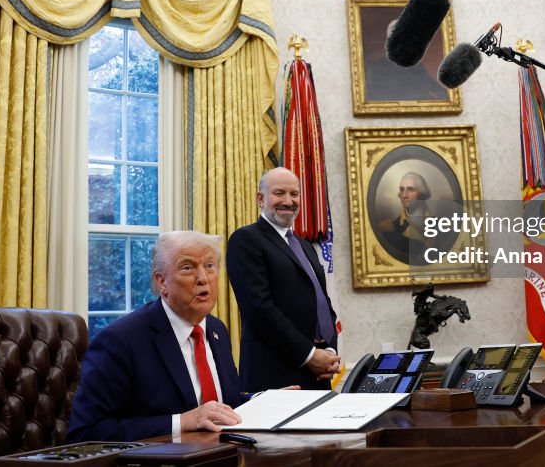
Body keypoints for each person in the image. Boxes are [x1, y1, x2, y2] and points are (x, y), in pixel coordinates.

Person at [67, 231, 242, 441]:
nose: (203, 279)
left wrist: (268, 400)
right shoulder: (120, 341)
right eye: (188, 268)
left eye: (210, 266)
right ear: (162, 283)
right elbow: (86, 433)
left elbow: (223, 403)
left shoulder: (216, 330)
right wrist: (183, 422)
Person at [226, 167, 340, 393]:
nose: (288, 201)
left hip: (318, 374)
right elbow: (259, 309)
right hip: (276, 376)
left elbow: (321, 304)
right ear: (261, 199)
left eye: (294, 194)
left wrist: (327, 353)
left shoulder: (305, 246)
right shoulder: (246, 239)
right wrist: (309, 356)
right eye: (279, 193)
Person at [376, 172, 440, 265]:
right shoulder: (388, 229)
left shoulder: (442, 225)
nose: (404, 195)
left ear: (422, 193)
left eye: (410, 189)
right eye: (402, 190)